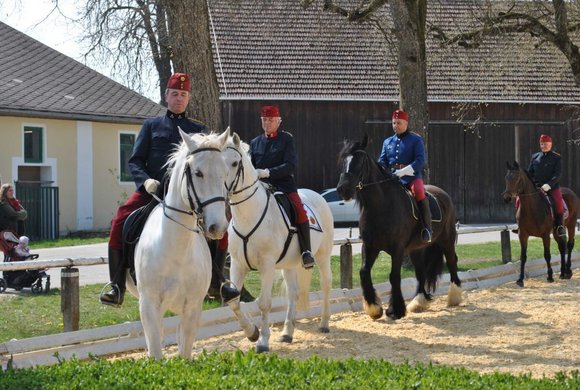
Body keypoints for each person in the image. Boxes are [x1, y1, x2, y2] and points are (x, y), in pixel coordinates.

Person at [99, 72, 239, 307]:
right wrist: (145, 181)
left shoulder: (198, 129)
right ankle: (117, 285)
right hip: (152, 192)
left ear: (189, 98)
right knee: (120, 220)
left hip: (188, 196)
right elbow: (135, 160)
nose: (179, 98)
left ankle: (219, 280)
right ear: (166, 96)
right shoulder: (151, 125)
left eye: (183, 94)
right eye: (175, 94)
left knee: (219, 224)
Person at [249, 105, 315, 269]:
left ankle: (306, 251)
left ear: (278, 121)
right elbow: (251, 167)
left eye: (271, 120)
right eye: (264, 120)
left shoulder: (286, 139)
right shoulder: (255, 142)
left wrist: (268, 172)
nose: (267, 123)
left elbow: (290, 165)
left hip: (283, 186)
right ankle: (235, 249)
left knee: (299, 210)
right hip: (260, 187)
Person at [378, 109, 432, 243]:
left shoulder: (416, 139)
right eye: (394, 123)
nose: (396, 125)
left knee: (419, 191)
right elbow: (382, 162)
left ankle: (427, 228)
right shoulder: (387, 142)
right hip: (392, 178)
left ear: (406, 123)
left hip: (411, 177)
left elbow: (420, 161)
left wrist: (403, 171)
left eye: (399, 123)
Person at [528, 134, 566, 237]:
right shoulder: (535, 157)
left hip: (552, 187)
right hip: (536, 188)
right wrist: (535, 184)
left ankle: (559, 226)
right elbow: (530, 173)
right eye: (542, 144)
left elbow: (557, 174)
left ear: (550, 144)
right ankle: (521, 224)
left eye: (546, 144)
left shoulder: (556, 158)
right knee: (519, 199)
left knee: (558, 202)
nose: (544, 146)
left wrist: (548, 185)